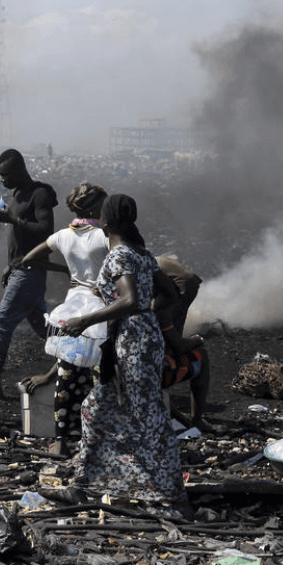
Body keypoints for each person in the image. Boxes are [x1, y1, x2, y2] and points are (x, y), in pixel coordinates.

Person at [58, 194, 193, 519]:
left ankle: (172, 496)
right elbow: (170, 293)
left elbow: (130, 299)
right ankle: (82, 485)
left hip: (132, 343)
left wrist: (85, 320)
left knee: (148, 415)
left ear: (104, 222)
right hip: (139, 338)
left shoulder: (119, 256)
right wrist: (148, 316)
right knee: (96, 409)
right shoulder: (140, 254)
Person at [20, 183, 109, 455]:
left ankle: (60, 442)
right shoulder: (105, 236)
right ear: (95, 208)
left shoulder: (61, 236)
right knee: (100, 377)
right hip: (100, 309)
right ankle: (98, 441)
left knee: (66, 376)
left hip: (71, 308)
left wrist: (64, 271)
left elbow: (28, 259)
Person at [0, 149, 58, 401]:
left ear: (19, 170)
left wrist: (13, 219)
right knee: (44, 327)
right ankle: (84, 360)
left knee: (2, 318)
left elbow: (46, 230)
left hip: (31, 271)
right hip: (23, 268)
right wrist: (11, 264)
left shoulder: (40, 193)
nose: (3, 181)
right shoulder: (19, 194)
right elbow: (22, 239)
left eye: (6, 175)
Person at [155, 255, 211, 429]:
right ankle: (196, 420)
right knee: (200, 356)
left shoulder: (124, 297)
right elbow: (179, 345)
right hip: (145, 378)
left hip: (109, 373)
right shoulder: (160, 312)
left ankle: (176, 413)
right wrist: (195, 341)